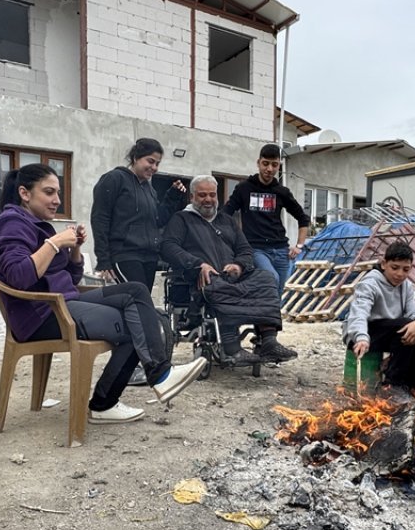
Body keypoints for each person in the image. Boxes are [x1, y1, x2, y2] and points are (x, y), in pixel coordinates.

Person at [0, 163, 207, 424]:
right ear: (24, 193)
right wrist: (54, 244)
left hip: (63, 303)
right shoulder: (10, 224)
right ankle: (113, 399)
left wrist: (75, 249)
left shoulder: (35, 224)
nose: (56, 200)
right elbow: (19, 277)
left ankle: (150, 380)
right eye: (49, 192)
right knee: (137, 324)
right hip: (41, 316)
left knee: (136, 295)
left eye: (58, 193)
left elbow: (72, 278)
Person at [160, 175, 297, 365]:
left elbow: (245, 249)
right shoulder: (182, 219)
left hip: (232, 276)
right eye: (202, 195)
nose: (208, 199)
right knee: (215, 284)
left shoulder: (227, 220)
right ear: (192, 197)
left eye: (212, 195)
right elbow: (168, 246)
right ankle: (232, 348)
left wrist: (239, 265)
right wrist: (198, 264)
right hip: (204, 277)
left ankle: (268, 341)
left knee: (266, 278)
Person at [343, 241, 415, 393]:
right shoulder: (369, 284)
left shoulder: (406, 286)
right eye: (395, 268)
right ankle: (392, 385)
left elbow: (414, 313)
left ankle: (409, 381)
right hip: (364, 334)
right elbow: (359, 314)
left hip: (392, 332)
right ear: (384, 264)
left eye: (405, 269)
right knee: (405, 327)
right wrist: (361, 337)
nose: (400, 274)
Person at [91, 137, 187, 290]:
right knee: (138, 301)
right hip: (124, 254)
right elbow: (100, 218)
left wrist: (172, 196)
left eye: (157, 163)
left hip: (149, 257)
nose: (154, 167)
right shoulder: (114, 179)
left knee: (139, 304)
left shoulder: (149, 190)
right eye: (150, 161)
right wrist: (103, 259)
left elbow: (158, 220)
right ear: (135, 158)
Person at [222, 143, 311, 300]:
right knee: (271, 279)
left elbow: (303, 219)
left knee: (277, 296)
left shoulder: (281, 192)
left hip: (281, 251)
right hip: (256, 249)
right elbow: (225, 215)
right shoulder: (244, 188)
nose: (269, 169)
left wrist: (299, 246)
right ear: (258, 163)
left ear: (278, 166)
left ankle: (268, 324)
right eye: (265, 164)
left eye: (274, 165)